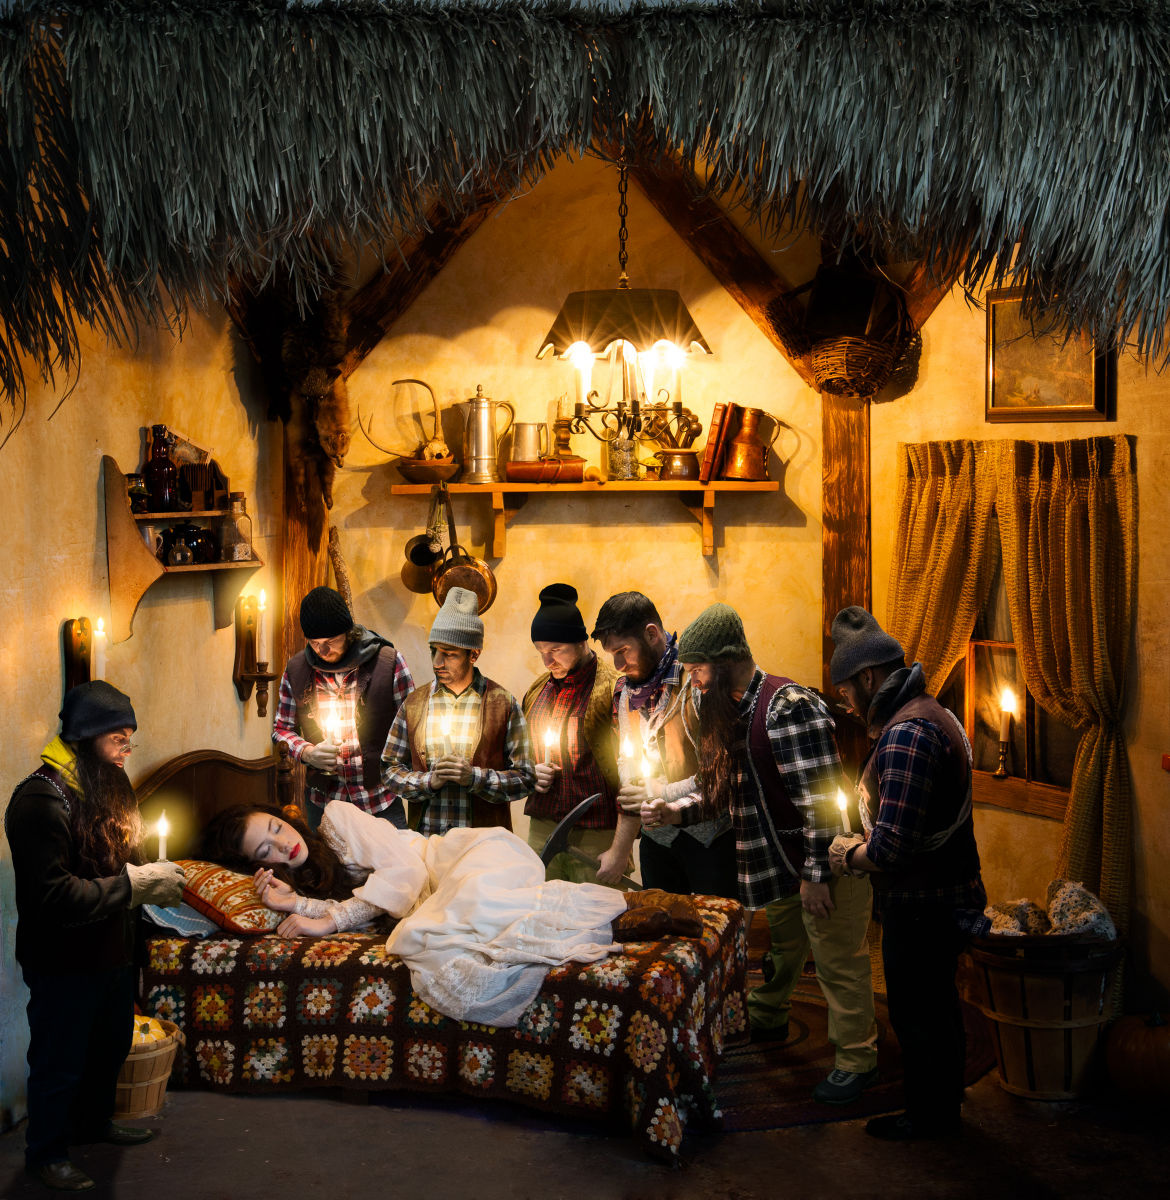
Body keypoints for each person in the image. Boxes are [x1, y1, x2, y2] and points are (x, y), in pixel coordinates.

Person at [638, 604, 879, 1105]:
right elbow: (726, 793)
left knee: (838, 963)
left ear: (726, 661)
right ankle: (769, 1015)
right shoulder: (733, 711)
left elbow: (821, 799)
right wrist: (674, 813)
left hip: (827, 862)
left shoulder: (786, 707)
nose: (693, 682)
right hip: (780, 864)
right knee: (785, 947)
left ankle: (857, 1060)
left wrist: (816, 875)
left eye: (698, 670)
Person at [199, 799, 628, 1026]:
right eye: (266, 851)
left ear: (283, 817)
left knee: (457, 911)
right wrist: (292, 903)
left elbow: (404, 873)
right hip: (432, 897)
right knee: (430, 933)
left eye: (276, 827)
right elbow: (365, 910)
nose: (283, 843)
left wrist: (327, 921)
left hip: (450, 861)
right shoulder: (306, 877)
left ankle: (620, 920)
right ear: (260, 866)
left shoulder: (337, 818)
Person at [5, 682, 185, 1193]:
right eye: (118, 739)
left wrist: (152, 870)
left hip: (110, 951)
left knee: (109, 1046)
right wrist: (134, 885)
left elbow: (127, 850)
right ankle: (46, 1153)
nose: (127, 749)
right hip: (62, 960)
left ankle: (92, 1124)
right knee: (59, 1061)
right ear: (86, 736)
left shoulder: (110, 781)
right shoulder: (40, 800)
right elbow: (53, 896)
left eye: (130, 738)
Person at [826, 606, 988, 1140]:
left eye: (846, 690)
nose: (847, 703)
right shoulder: (933, 713)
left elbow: (892, 850)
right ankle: (945, 1105)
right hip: (946, 894)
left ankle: (929, 1118)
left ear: (869, 677)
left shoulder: (906, 735)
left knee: (918, 1014)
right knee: (939, 1006)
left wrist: (847, 855)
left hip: (923, 905)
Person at [591, 591, 737, 898]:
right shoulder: (625, 691)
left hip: (708, 840)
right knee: (660, 921)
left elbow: (721, 776)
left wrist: (659, 792)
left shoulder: (697, 681)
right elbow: (627, 764)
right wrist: (622, 843)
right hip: (656, 841)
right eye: (612, 654)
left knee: (714, 923)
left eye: (623, 651)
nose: (618, 664)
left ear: (652, 634)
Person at [382, 586, 535, 834]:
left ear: (473, 654)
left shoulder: (503, 704)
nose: (437, 663)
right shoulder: (414, 704)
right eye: (433, 651)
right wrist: (428, 781)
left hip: (483, 845)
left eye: (448, 654)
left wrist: (474, 778)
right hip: (428, 842)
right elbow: (389, 769)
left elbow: (526, 778)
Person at [272, 585, 414, 830]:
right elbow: (281, 729)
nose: (322, 650)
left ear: (348, 632)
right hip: (323, 803)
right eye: (314, 643)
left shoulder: (388, 662)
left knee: (399, 856)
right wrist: (307, 752)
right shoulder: (296, 669)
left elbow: (412, 725)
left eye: (330, 641)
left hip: (379, 801)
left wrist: (397, 770)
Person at [521, 583, 634, 886]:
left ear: (581, 642)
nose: (547, 661)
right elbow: (517, 756)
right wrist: (531, 772)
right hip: (542, 828)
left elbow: (633, 774)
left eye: (556, 650)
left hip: (597, 833)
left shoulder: (614, 689)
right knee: (539, 909)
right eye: (541, 652)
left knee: (598, 913)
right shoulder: (536, 691)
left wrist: (621, 850)